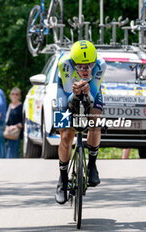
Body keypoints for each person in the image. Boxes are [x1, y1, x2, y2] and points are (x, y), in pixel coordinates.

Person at [55, 40, 107, 204]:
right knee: (66, 134)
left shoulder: (101, 65)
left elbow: (92, 95)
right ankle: (63, 179)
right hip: (66, 90)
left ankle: (92, 165)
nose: (85, 70)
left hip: (91, 87)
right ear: (73, 63)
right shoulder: (64, 63)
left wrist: (85, 91)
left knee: (95, 120)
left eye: (89, 65)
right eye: (80, 66)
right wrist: (77, 92)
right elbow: (70, 96)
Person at [5, 87, 23, 158]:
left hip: (17, 132)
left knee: (14, 151)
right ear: (10, 96)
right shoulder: (9, 106)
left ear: (19, 96)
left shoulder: (22, 106)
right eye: (12, 94)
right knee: (9, 150)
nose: (14, 96)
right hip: (9, 132)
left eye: (16, 94)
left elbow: (24, 120)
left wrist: (15, 126)